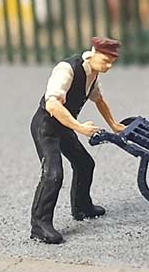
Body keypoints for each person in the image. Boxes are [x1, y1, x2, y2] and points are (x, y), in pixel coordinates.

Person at [30, 37, 126, 244]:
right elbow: (52, 105)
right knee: (53, 174)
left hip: (64, 126)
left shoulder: (93, 74)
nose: (108, 66)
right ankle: (39, 225)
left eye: (112, 62)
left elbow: (99, 99)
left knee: (85, 164)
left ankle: (82, 207)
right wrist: (80, 128)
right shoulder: (67, 69)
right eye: (106, 60)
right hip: (46, 128)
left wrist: (114, 124)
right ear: (93, 54)